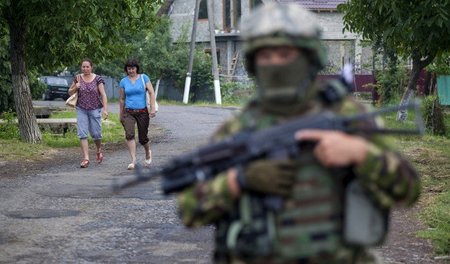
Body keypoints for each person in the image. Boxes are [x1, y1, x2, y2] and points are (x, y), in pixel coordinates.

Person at [177, 3, 420, 264]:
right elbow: (190, 211)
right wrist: (239, 180)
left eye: (285, 54)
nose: (275, 64)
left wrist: (360, 153)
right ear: (253, 62)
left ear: (308, 57)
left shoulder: (344, 114)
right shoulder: (240, 128)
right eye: (265, 56)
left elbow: (407, 190)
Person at [68, 58, 108, 168]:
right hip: (81, 109)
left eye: (87, 66)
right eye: (83, 67)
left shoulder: (98, 79)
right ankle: (86, 158)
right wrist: (75, 87)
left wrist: (105, 109)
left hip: (95, 109)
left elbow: (103, 94)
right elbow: (69, 92)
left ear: (91, 67)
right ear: (81, 68)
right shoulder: (78, 78)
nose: (85, 69)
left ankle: (99, 150)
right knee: (82, 133)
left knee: (96, 134)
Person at [119, 59, 157, 170]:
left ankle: (147, 152)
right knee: (129, 134)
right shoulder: (123, 81)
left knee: (143, 138)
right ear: (126, 69)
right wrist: (121, 114)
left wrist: (153, 107)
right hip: (128, 111)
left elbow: (151, 92)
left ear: (137, 68)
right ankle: (133, 160)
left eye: (133, 68)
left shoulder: (144, 78)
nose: (131, 70)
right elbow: (121, 99)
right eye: (129, 68)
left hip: (142, 112)